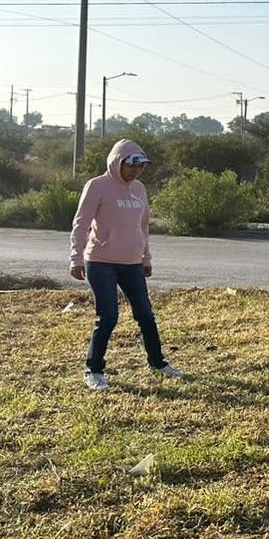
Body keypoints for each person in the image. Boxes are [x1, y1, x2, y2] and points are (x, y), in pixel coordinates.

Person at [70, 138, 185, 392]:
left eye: (141, 166)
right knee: (108, 316)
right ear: (117, 162)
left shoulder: (140, 189)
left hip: (132, 263)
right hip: (100, 262)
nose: (137, 170)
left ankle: (157, 363)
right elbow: (81, 223)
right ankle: (94, 370)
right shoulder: (97, 186)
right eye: (132, 165)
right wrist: (76, 258)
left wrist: (146, 257)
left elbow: (142, 227)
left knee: (145, 314)